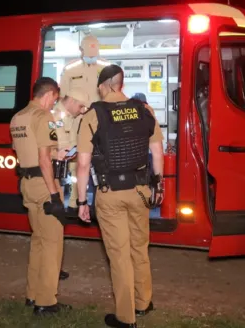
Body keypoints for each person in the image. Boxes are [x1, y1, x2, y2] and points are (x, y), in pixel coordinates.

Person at [74, 65, 165, 328]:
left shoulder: (94, 114)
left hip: (110, 193)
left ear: (104, 85)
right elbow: (157, 152)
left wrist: (82, 201)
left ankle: (126, 318)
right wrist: (158, 187)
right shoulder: (144, 110)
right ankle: (144, 302)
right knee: (139, 247)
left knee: (119, 254)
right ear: (121, 83)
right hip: (140, 191)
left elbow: (82, 164)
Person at [9, 77, 72, 316]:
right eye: (54, 99)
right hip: (44, 185)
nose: (53, 104)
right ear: (49, 95)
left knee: (38, 241)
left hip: (26, 183)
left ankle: (32, 294)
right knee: (53, 244)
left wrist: (58, 154)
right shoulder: (43, 117)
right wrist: (55, 195)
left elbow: (26, 151)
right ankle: (46, 302)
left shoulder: (18, 117)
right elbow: (44, 160)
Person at [51, 89, 90, 215]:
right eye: (80, 106)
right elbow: (60, 146)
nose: (81, 110)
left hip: (72, 159)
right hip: (57, 165)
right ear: (72, 101)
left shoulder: (74, 115)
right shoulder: (55, 115)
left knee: (76, 174)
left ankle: (74, 205)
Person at [59, 34, 113, 106]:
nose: (91, 57)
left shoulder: (107, 67)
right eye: (89, 54)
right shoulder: (70, 68)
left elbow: (113, 94)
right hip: (76, 113)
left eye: (93, 55)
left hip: (99, 112)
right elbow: (63, 97)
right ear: (80, 49)